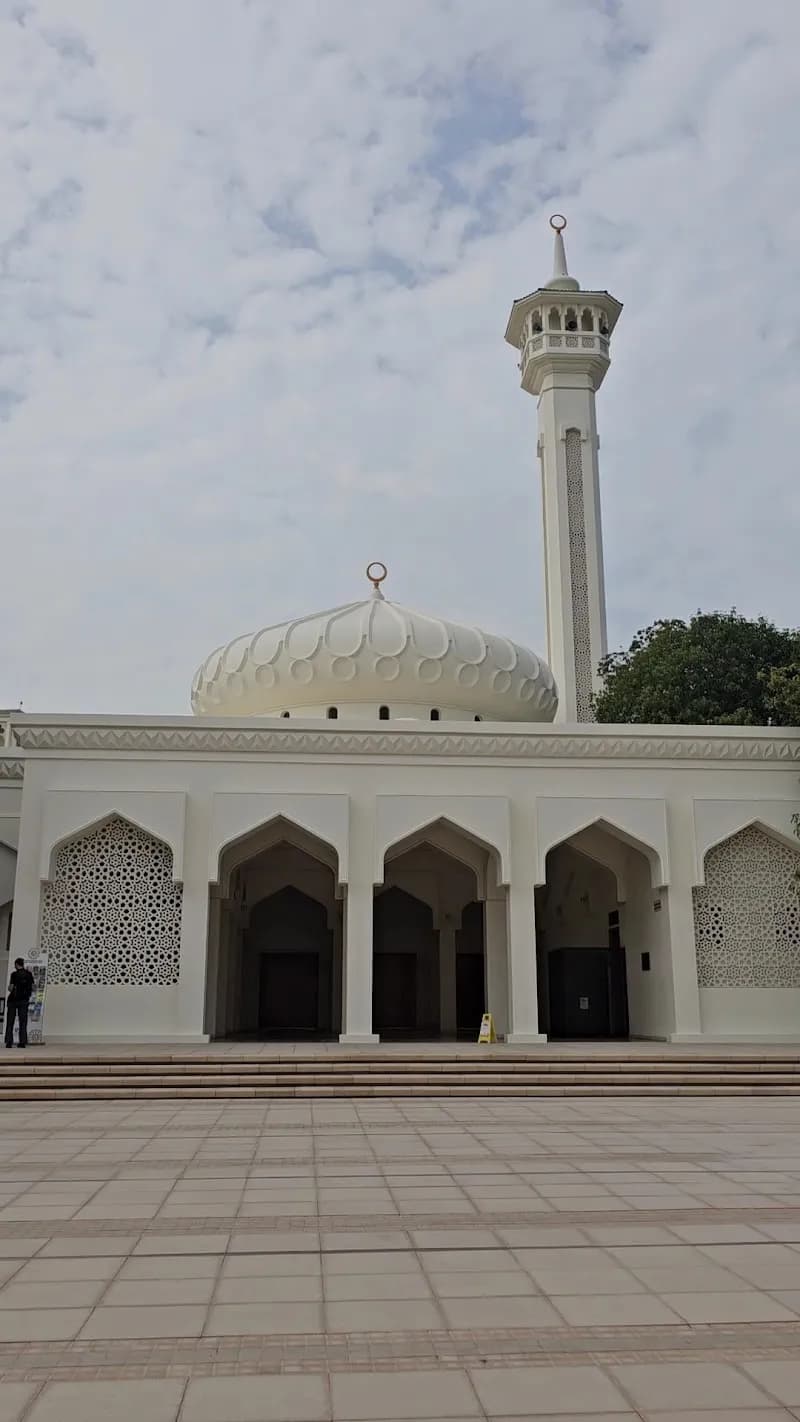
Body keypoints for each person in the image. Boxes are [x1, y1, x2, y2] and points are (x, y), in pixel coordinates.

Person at [5, 958, 34, 1049]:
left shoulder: (14, 974)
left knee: (10, 1021)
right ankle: (22, 1042)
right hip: (24, 1000)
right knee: (23, 1021)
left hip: (13, 1000)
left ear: (17, 964)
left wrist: (11, 988)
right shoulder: (29, 974)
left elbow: (10, 988)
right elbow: (32, 987)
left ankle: (9, 1042)